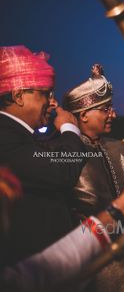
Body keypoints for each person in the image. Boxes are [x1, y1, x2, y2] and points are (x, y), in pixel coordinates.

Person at [63, 64, 124, 292]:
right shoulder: (65, 152)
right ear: (84, 114)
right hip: (94, 263)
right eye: (105, 109)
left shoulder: (120, 149)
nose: (113, 114)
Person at [0, 160, 124, 292]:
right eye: (104, 115)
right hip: (98, 260)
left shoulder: (120, 147)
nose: (111, 116)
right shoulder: (68, 151)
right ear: (83, 117)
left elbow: (34, 275)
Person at [0, 45, 85, 264]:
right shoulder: (5, 137)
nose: (52, 101)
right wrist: (69, 128)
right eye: (45, 93)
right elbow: (62, 171)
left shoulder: (19, 135)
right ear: (19, 95)